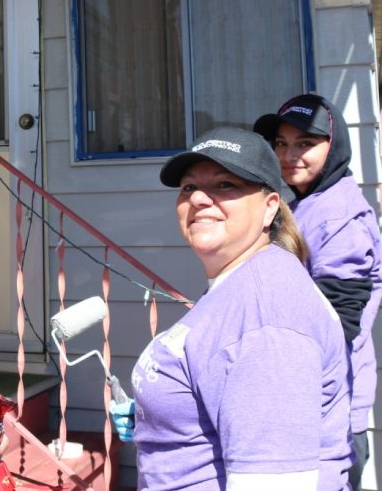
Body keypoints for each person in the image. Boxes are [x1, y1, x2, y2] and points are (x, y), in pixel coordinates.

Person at [111, 127, 352, 490]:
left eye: (226, 185)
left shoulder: (266, 318)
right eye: (189, 187)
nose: (199, 200)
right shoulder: (239, 283)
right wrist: (160, 415)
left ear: (270, 207)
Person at [255, 94, 382, 490]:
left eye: (305, 144)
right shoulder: (308, 203)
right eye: (281, 143)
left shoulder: (339, 213)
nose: (289, 154)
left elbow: (337, 321)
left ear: (335, 147)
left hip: (327, 413)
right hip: (306, 405)